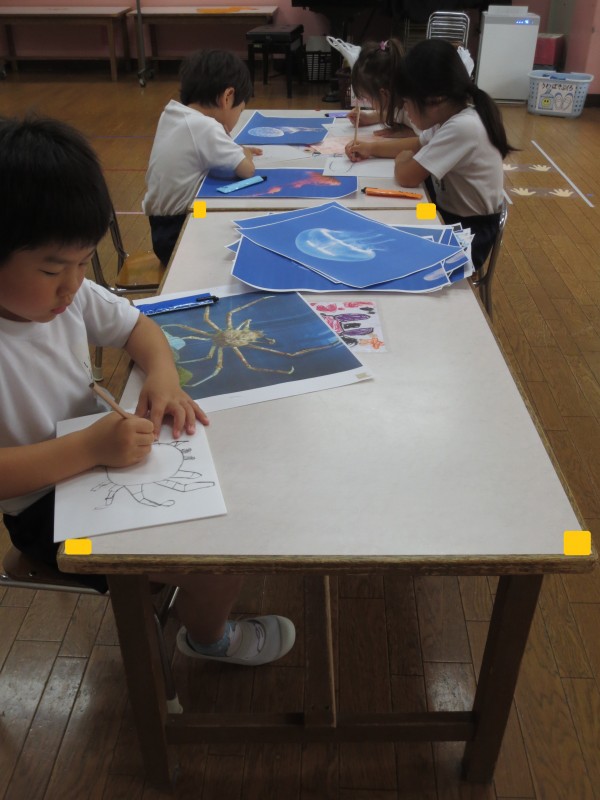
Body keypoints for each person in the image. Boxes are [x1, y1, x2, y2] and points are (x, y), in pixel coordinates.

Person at [0, 114, 294, 667]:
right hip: (42, 504)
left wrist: (162, 374)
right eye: (51, 268)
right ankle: (208, 640)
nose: (71, 285)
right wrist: (88, 449)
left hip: (98, 452)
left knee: (241, 484)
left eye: (84, 261)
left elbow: (140, 328)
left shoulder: (68, 294)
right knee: (220, 556)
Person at [348, 38, 513, 269]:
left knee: (390, 253)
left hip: (467, 233)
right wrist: (369, 148)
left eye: (406, 102)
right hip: (442, 212)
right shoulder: (446, 118)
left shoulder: (463, 127)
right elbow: (416, 143)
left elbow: (407, 176)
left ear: (434, 100)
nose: (404, 110)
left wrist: (403, 159)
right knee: (389, 220)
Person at [143, 49, 262, 266]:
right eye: (241, 110)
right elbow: (247, 170)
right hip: (178, 229)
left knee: (217, 211)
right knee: (230, 228)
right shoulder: (204, 126)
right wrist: (244, 152)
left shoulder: (175, 114)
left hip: (162, 225)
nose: (238, 118)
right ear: (228, 97)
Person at [345, 39, 419, 139]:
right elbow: (394, 113)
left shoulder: (413, 108)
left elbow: (423, 141)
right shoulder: (396, 99)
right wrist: (370, 118)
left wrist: (371, 149)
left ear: (384, 94)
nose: (368, 103)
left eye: (367, 98)